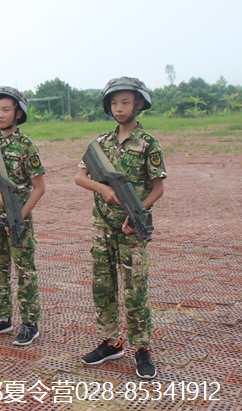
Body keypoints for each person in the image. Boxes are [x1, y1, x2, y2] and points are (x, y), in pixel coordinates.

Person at [75, 77, 166, 379]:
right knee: (103, 285)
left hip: (131, 228)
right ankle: (111, 342)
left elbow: (158, 188)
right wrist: (102, 189)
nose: (119, 108)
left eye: (125, 102)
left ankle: (142, 349)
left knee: (135, 289)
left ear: (138, 104)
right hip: (102, 226)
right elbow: (80, 177)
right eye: (114, 103)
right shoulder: (100, 143)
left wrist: (137, 212)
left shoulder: (148, 143)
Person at [0, 86, 46, 346]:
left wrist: (20, 218)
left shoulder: (27, 146)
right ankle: (2, 318)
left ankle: (30, 323)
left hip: (18, 219)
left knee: (25, 271)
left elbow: (39, 188)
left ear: (18, 113)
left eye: (6, 109)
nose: (0, 115)